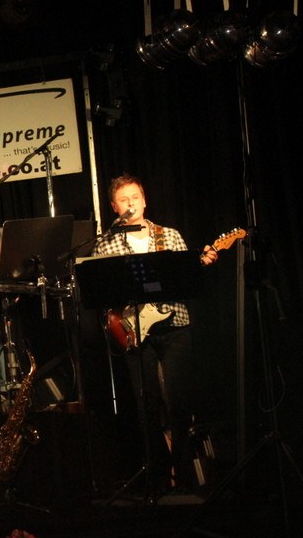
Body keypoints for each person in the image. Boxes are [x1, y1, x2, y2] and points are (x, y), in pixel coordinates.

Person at [93, 174, 217, 497]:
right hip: (136, 332)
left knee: (178, 402)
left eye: (135, 197)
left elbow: (187, 277)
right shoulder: (106, 243)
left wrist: (201, 263)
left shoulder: (169, 235)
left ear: (145, 200)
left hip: (175, 325)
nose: (131, 203)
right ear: (114, 207)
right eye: (124, 199)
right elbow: (102, 290)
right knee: (145, 405)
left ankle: (184, 474)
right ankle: (160, 477)